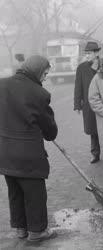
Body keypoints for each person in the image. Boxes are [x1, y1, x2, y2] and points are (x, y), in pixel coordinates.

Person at [0, 55, 58, 242]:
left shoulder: (2, 84)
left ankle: (21, 230)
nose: (45, 77)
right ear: (37, 71)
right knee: (35, 194)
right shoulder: (39, 94)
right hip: (28, 156)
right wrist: (47, 129)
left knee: (15, 190)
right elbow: (50, 131)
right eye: (45, 73)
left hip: (6, 151)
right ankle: (37, 232)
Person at [74, 41, 101, 164]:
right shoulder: (81, 67)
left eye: (89, 53)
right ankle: (95, 153)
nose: (87, 55)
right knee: (93, 129)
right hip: (88, 104)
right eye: (86, 53)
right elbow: (78, 86)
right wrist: (77, 104)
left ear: (96, 53)